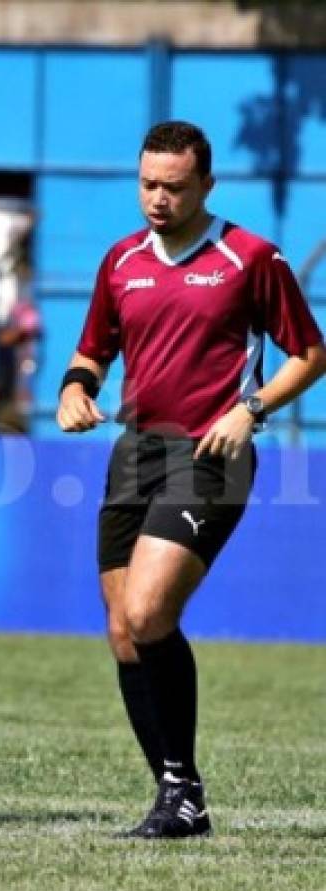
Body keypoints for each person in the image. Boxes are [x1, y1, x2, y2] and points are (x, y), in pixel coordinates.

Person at [57, 120, 326, 838]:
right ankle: (177, 795)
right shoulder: (120, 261)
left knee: (147, 614)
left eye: (173, 187)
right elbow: (91, 351)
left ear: (206, 185)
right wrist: (73, 391)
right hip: (134, 454)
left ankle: (181, 792)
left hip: (212, 456)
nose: (156, 199)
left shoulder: (248, 258)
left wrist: (251, 410)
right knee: (121, 633)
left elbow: (308, 353)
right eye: (147, 184)